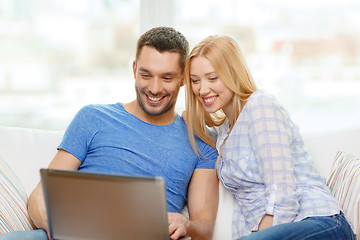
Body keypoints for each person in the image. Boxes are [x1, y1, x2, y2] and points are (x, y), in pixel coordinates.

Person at [1, 27, 219, 240]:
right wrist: (57, 228)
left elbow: (205, 228)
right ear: (134, 70)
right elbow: (39, 197)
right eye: (146, 74)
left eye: (167, 78)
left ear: (182, 79)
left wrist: (186, 225)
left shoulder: (200, 141)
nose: (154, 88)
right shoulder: (93, 117)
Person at [184, 35, 355, 240]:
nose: (202, 89)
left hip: (317, 222)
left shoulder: (260, 106)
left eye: (212, 78)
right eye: (195, 81)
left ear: (233, 74)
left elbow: (283, 192)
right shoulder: (225, 134)